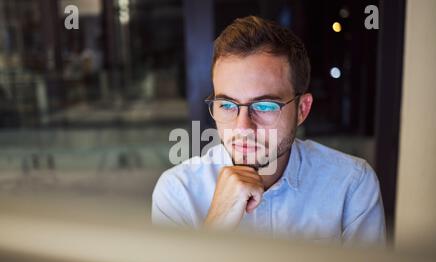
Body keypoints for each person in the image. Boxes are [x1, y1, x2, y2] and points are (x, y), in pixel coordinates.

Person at [152, 16, 386, 245]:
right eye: (227, 105)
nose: (243, 127)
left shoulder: (351, 184)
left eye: (264, 106)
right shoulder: (178, 192)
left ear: (302, 109)